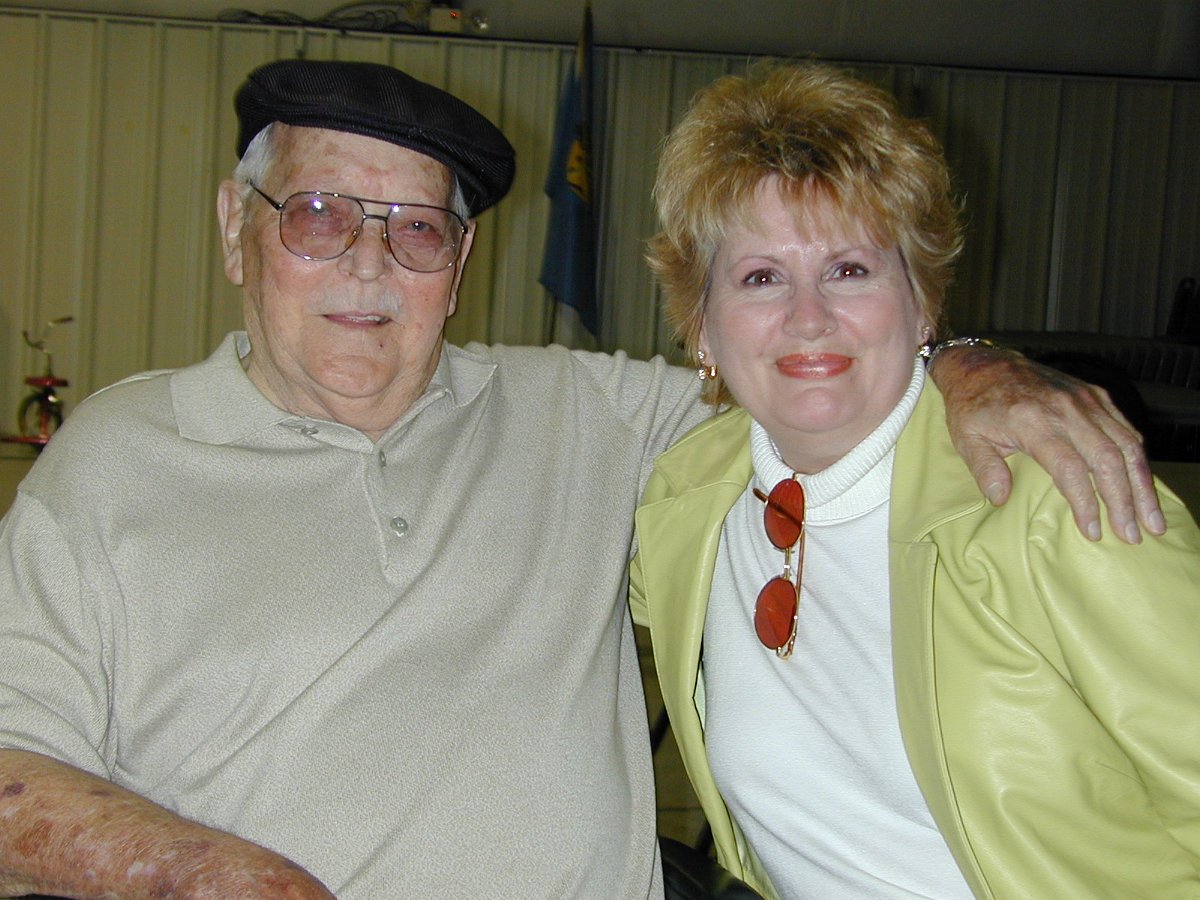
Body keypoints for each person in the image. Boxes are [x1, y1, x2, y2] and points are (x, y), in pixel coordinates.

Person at [0, 58, 1165, 899]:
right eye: (317, 215)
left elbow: (813, 367)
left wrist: (968, 361)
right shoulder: (116, 460)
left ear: (460, 263)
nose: (369, 262)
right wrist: (219, 876)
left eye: (417, 230)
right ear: (234, 228)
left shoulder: (582, 416)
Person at [629, 60, 1200, 899]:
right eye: (760, 277)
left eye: (849, 269)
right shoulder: (684, 504)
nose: (808, 316)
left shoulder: (1059, 497)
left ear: (923, 302)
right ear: (701, 329)